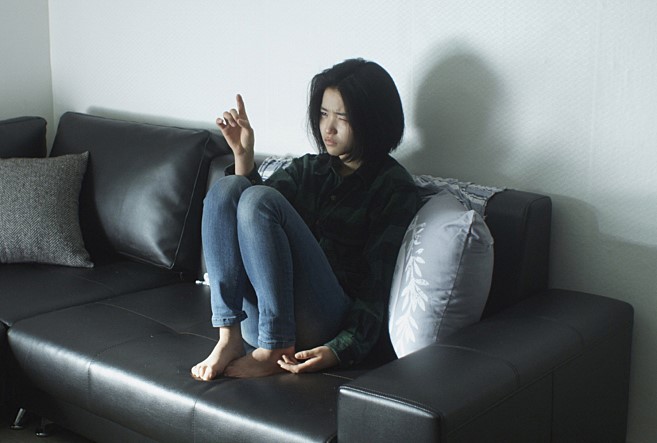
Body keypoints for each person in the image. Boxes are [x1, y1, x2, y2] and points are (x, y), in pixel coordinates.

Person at [191, 58, 421, 380]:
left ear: (373, 120)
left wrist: (339, 350)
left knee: (259, 199)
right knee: (227, 188)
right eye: (324, 114)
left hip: (324, 325)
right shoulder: (309, 170)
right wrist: (243, 157)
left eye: (342, 117)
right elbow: (250, 217)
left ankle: (275, 347)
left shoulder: (393, 188)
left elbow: (377, 284)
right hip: (257, 323)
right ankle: (228, 337)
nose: (328, 128)